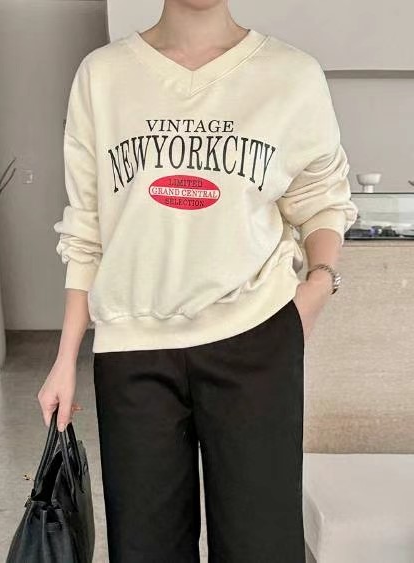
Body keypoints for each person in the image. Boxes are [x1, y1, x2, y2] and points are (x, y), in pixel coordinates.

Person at [38, 0, 358, 561]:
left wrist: (317, 287)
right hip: (133, 352)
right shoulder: (103, 75)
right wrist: (65, 357)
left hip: (255, 338)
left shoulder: (290, 75)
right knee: (145, 549)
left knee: (262, 547)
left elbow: (322, 197)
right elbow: (87, 227)